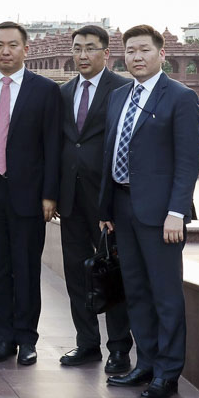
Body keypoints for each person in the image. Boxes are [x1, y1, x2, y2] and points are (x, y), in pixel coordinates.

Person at [100, 25, 199, 398]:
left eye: (144, 50)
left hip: (162, 214)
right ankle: (145, 363)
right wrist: (106, 207)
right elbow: (111, 152)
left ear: (161, 55)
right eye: (130, 51)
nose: (137, 57)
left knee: (165, 294)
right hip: (123, 208)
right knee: (136, 292)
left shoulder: (180, 97)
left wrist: (177, 211)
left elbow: (188, 162)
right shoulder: (119, 96)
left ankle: (168, 372)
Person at [0, 21, 62, 366]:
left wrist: (50, 194)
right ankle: (4, 337)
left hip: (29, 193)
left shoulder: (44, 90)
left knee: (25, 269)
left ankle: (27, 338)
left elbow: (53, 145)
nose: (4, 51)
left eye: (12, 45)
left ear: (26, 49)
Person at [58, 25, 133, 373]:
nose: (83, 55)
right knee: (77, 273)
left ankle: (119, 348)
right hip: (70, 198)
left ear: (106, 52)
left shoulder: (123, 89)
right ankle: (86, 343)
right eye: (77, 48)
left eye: (90, 48)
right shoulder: (65, 91)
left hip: (109, 200)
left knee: (110, 273)